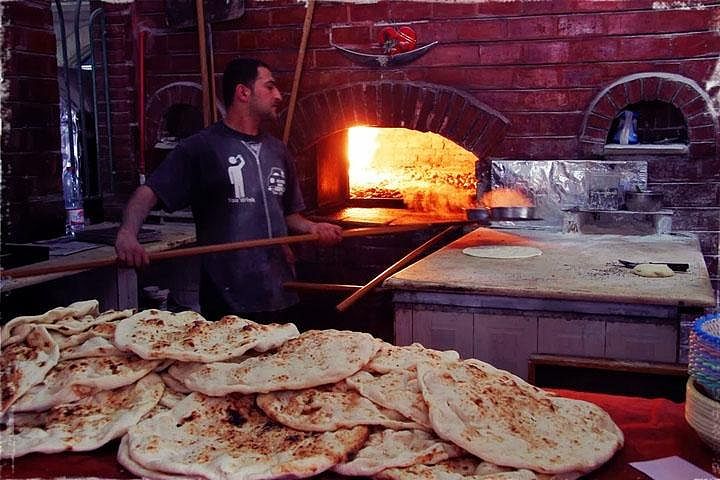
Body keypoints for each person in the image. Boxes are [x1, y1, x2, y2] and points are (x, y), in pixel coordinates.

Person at [115, 58, 343, 323]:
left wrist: (313, 228)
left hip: (279, 289)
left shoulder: (278, 150)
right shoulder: (202, 148)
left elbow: (289, 215)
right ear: (243, 92)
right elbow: (148, 192)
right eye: (269, 87)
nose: (278, 95)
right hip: (228, 297)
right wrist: (127, 234)